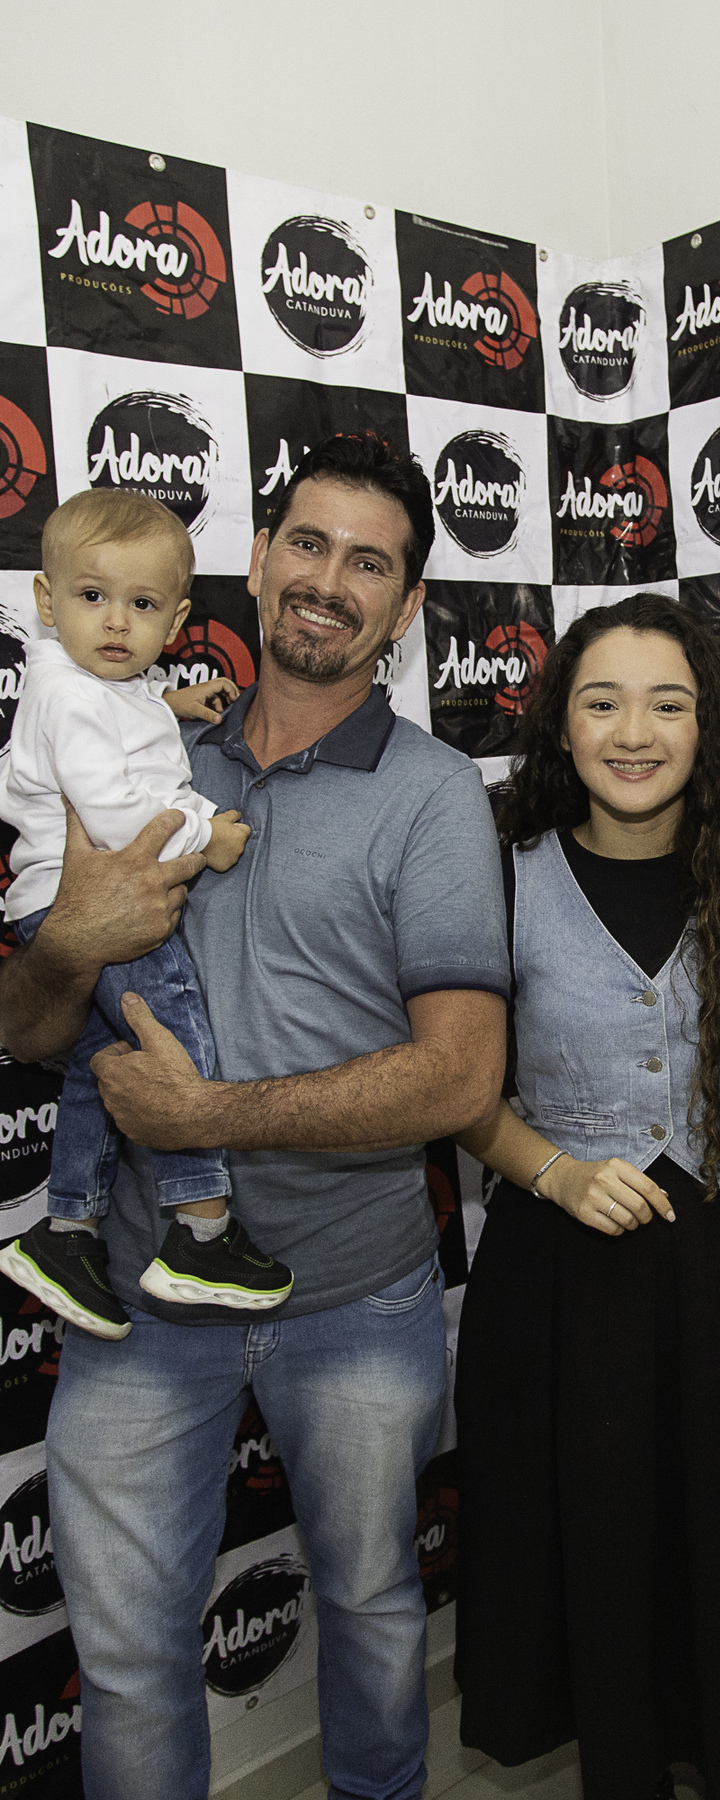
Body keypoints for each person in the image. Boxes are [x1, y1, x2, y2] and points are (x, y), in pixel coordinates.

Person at [0, 434, 509, 1800]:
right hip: (137, 1303)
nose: (329, 580)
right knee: (124, 1657)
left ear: (407, 608)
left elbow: (461, 1080)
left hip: (354, 1295)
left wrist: (202, 1113)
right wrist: (70, 940)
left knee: (375, 1612)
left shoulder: (434, 795)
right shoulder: (139, 750)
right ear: (258, 557)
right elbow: (29, 1031)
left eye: (370, 563)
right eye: (308, 542)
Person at [452, 593, 720, 1800]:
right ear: (561, 726)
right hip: (571, 1280)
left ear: (707, 725)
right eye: (603, 702)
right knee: (602, 1554)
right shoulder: (495, 875)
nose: (634, 732)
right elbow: (446, 1084)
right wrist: (553, 1169)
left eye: (668, 704)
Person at [0, 488, 294, 1337]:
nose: (115, 622)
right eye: (92, 596)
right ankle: (200, 1230)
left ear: (176, 622)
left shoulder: (93, 686)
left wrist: (172, 704)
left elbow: (111, 724)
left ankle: (67, 1232)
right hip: (95, 903)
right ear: (46, 600)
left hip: (55, 902)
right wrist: (208, 836)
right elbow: (116, 812)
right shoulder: (68, 694)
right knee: (175, 1037)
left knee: (102, 1068)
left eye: (141, 605)